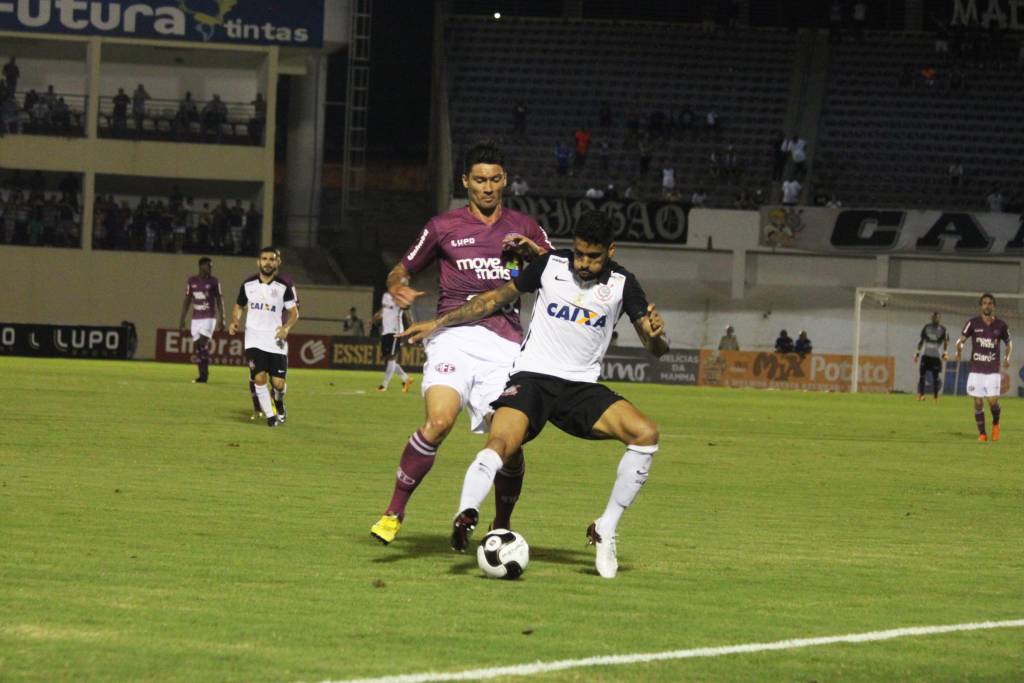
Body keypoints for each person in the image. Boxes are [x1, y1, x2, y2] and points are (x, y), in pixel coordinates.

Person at [400, 210, 669, 579]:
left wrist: (656, 336)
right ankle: (466, 513)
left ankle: (606, 527)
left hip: (580, 387)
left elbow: (654, 347)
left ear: (611, 251)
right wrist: (439, 322)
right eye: (579, 253)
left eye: (593, 257)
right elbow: (491, 300)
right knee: (500, 442)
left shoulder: (624, 284)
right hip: (532, 380)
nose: (583, 263)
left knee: (646, 434)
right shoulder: (550, 265)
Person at [369, 140, 552, 546]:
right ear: (465, 181)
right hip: (452, 337)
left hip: (506, 346)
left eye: (495, 180)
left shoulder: (524, 227)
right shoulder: (442, 227)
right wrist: (397, 285)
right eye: (480, 180)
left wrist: (535, 251)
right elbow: (401, 269)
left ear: (504, 180)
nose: (487, 187)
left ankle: (500, 525)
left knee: (509, 443)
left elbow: (561, 273)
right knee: (438, 422)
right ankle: (393, 513)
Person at [229, 246, 299, 428]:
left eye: (271, 259)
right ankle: (270, 417)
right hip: (253, 339)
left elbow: (294, 313)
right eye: (264, 259)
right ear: (258, 262)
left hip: (275, 340)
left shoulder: (284, 286)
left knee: (278, 384)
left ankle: (279, 402)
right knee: (259, 378)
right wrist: (235, 321)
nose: (268, 263)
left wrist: (286, 327)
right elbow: (239, 305)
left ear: (277, 262)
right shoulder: (248, 284)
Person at [954, 294, 1011, 442]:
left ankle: (996, 423)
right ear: (981, 306)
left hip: (992, 369)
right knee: (978, 402)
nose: (987, 305)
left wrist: (1007, 357)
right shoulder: (972, 323)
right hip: (976, 369)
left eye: (990, 303)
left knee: (992, 402)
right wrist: (959, 349)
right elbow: (961, 340)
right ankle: (982, 434)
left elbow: (1009, 343)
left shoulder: (1001, 325)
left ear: (994, 306)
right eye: (984, 303)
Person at [179, 257, 226, 383]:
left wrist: (222, 318)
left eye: (211, 266)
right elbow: (187, 300)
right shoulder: (192, 281)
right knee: (197, 347)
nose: (210, 268)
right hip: (196, 318)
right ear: (201, 266)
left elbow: (219, 300)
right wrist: (182, 318)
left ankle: (204, 375)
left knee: (202, 343)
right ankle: (202, 374)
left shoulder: (214, 281)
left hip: (209, 317)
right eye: (208, 266)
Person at [373, 290, 414, 393]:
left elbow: (407, 310)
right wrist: (376, 316)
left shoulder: (399, 298)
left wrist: (410, 330)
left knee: (391, 358)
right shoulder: (386, 296)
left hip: (395, 331)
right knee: (387, 359)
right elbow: (383, 310)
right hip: (386, 332)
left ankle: (384, 385)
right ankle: (406, 379)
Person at [914, 312, 948, 402]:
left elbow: (945, 341)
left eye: (937, 318)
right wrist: (917, 353)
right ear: (931, 318)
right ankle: (921, 395)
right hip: (925, 355)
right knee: (922, 376)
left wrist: (945, 353)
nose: (935, 319)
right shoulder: (926, 327)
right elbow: (921, 341)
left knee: (935, 377)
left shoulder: (943, 329)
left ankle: (935, 397)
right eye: (934, 317)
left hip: (936, 357)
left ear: (939, 319)